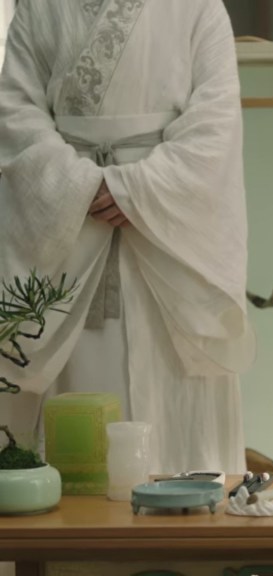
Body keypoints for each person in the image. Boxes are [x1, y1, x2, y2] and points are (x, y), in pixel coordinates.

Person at [0, 0, 254, 474]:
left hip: (168, 244)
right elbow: (15, 113)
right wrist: (77, 186)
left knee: (174, 398)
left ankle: (188, 510)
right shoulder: (38, 6)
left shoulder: (200, 7)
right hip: (71, 233)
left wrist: (135, 190)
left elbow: (215, 126)